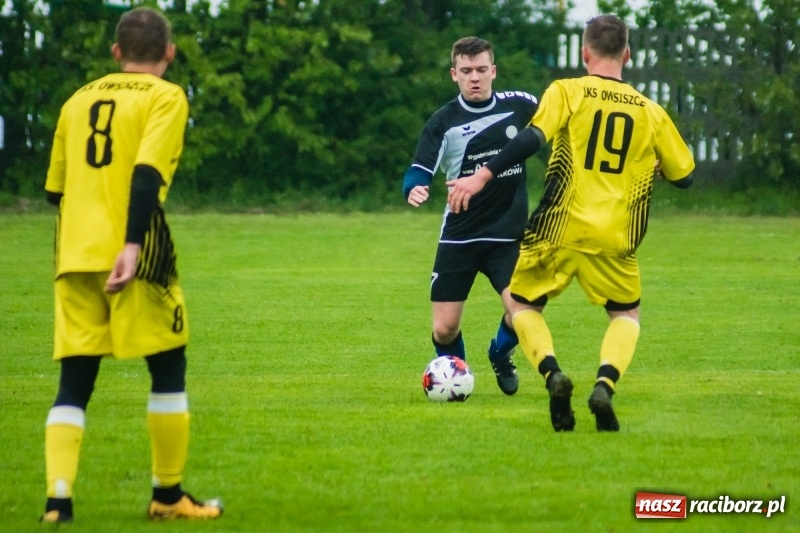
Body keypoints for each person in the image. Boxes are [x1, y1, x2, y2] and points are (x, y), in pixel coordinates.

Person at [447, 15, 695, 431]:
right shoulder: (651, 112)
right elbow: (685, 176)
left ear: (585, 54)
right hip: (616, 235)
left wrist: (482, 174)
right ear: (627, 55)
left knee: (524, 306)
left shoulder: (567, 90)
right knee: (625, 316)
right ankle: (604, 384)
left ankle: (552, 374)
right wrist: (655, 166)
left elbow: (531, 138)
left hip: (557, 227)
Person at [40, 7, 222, 523]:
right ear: (169, 52)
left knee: (74, 380)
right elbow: (145, 175)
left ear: (116, 53)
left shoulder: (77, 100)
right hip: (135, 251)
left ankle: (58, 500)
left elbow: (56, 190)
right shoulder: (168, 96)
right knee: (168, 365)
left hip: (72, 254)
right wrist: (131, 243)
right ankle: (168, 497)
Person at [403, 37, 540, 395]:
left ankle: (500, 353)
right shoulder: (443, 122)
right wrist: (414, 187)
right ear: (454, 75)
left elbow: (563, 123)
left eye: (481, 70)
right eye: (466, 71)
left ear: (493, 71)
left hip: (506, 236)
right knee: (444, 329)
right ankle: (456, 377)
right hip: (460, 236)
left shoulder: (521, 106)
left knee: (522, 313)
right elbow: (419, 167)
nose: (475, 78)